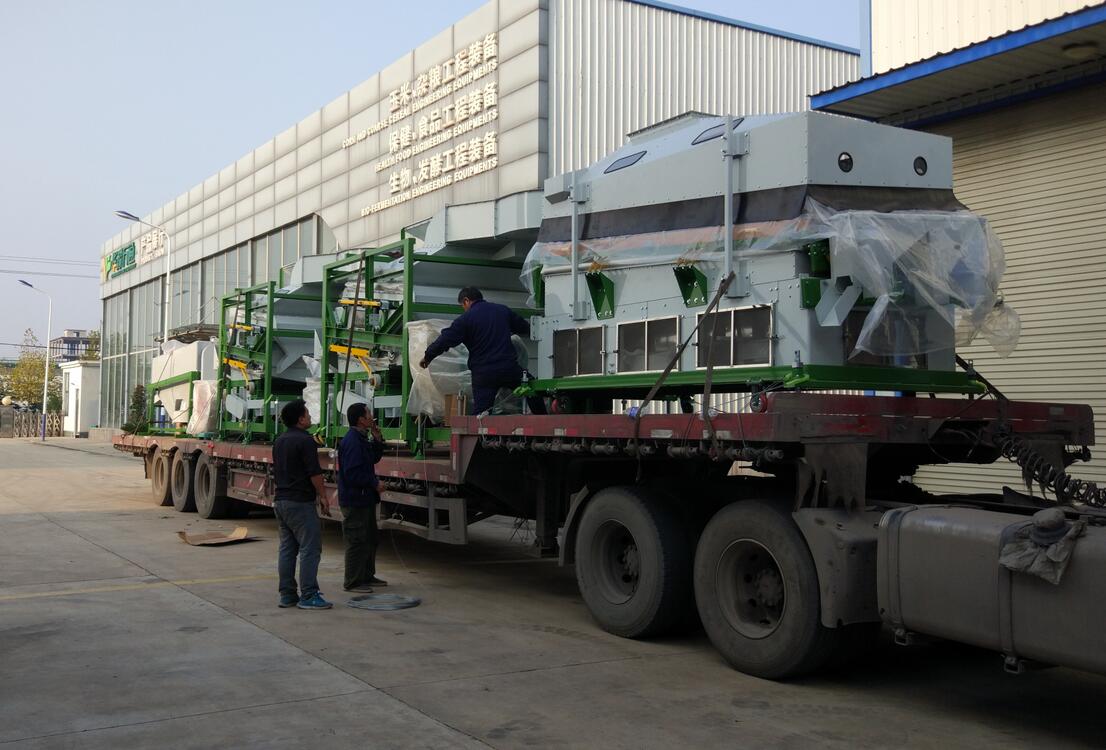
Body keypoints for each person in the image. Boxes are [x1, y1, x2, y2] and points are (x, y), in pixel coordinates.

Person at [418, 287, 546, 415]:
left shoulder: (465, 319)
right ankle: (544, 419)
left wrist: (428, 357)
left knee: (481, 414)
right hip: (508, 368)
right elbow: (525, 328)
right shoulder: (502, 310)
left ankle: (481, 427)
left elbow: (445, 340)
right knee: (532, 388)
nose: (464, 309)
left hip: (484, 374)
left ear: (466, 301)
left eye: (462, 305)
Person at [272, 399, 332, 610]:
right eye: (307, 413)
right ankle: (309, 594)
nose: (310, 416)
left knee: (288, 549)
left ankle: (287, 594)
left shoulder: (279, 441)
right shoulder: (305, 441)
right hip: (300, 502)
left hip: (281, 500)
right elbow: (314, 473)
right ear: (300, 419)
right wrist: (323, 496)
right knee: (310, 548)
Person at [338, 402, 387, 592]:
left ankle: (366, 575)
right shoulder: (352, 442)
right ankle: (353, 581)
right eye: (368, 414)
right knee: (356, 541)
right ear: (360, 419)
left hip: (364, 498)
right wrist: (374, 483)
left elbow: (372, 458)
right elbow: (352, 473)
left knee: (369, 538)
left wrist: (377, 439)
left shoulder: (361, 438)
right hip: (355, 500)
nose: (371, 416)